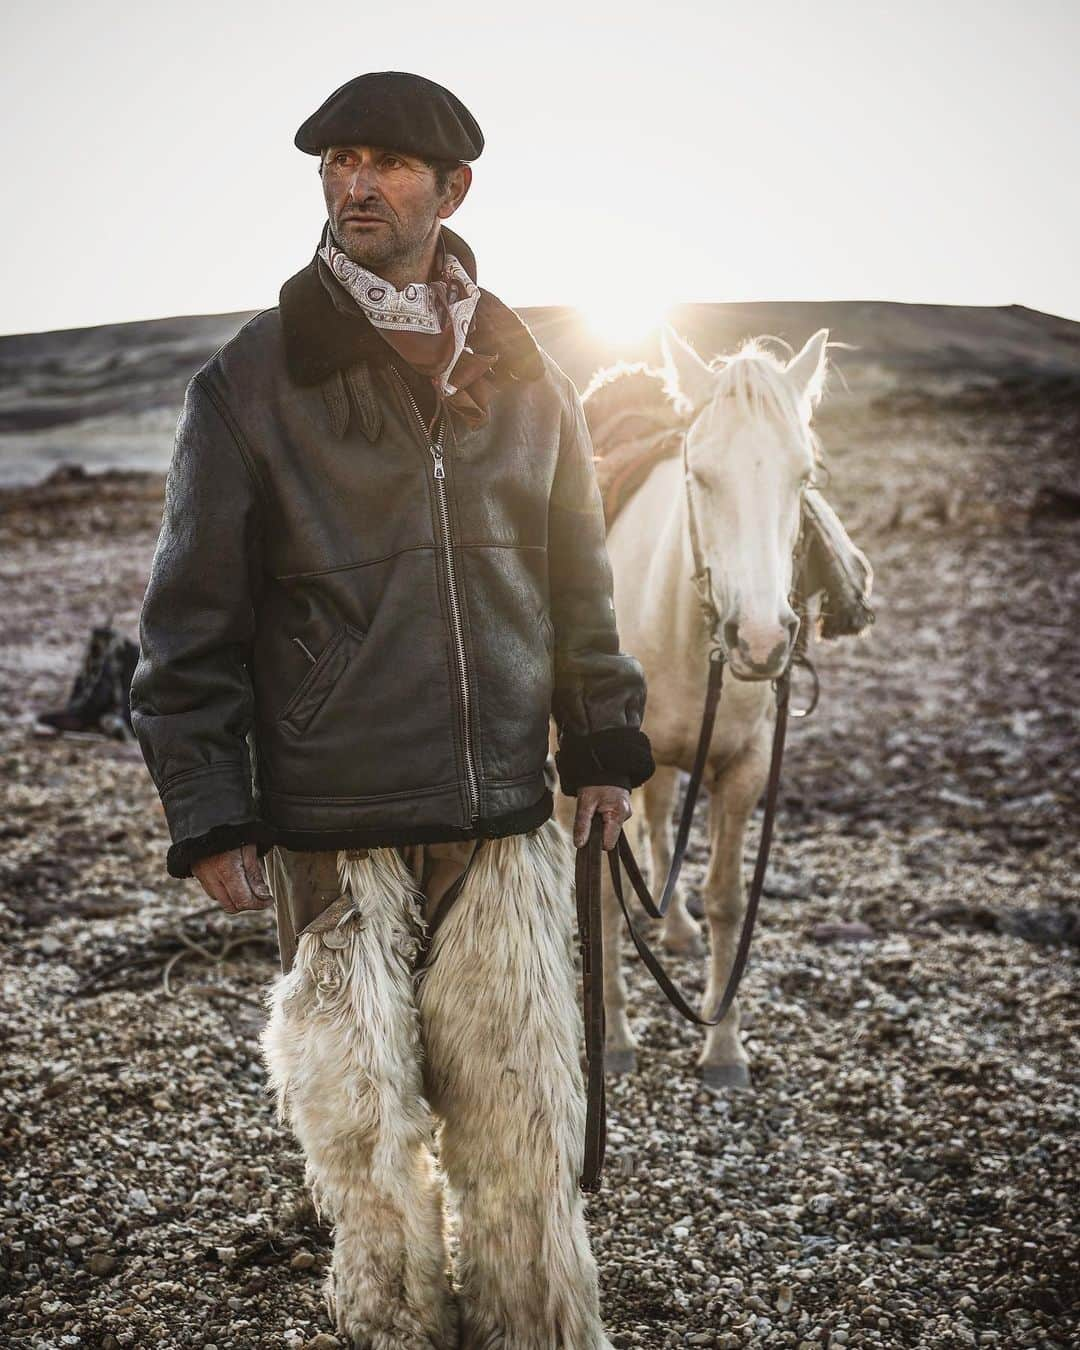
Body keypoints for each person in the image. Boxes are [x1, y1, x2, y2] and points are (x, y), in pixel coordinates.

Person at [129, 70, 655, 1349]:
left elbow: (579, 577)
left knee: (526, 1118)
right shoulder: (250, 382)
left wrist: (603, 748)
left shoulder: (527, 369)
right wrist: (210, 811)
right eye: (336, 162)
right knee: (364, 1140)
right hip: (334, 820)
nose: (355, 183)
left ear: (453, 188)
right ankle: (388, 1326)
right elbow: (187, 625)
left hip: (502, 815)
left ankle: (535, 1324)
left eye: (387, 164)